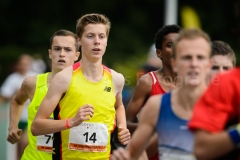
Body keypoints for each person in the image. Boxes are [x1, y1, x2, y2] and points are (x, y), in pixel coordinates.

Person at [31, 13, 131, 160]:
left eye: (101, 36)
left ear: (106, 41)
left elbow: (119, 106)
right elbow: (36, 126)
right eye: (90, 36)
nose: (97, 42)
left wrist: (122, 127)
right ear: (79, 40)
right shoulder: (64, 78)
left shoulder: (116, 79)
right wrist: (71, 122)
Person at [111, 28, 212, 160]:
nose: (193, 63)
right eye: (170, 45)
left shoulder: (208, 94)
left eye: (200, 58)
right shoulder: (149, 84)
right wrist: (156, 127)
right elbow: (127, 123)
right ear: (159, 53)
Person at [7, 30, 80, 160]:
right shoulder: (32, 83)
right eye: (57, 49)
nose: (62, 54)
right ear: (50, 53)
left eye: (68, 50)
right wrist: (13, 126)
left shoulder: (86, 87)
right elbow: (17, 101)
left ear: (76, 55)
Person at [126, 24, 181, 159]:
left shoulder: (194, 84)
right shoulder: (147, 82)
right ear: (159, 53)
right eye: (170, 45)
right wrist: (152, 128)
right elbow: (124, 123)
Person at [0, 54, 35, 160]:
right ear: (18, 65)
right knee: (15, 147)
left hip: (29, 118)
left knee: (24, 144)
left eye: (26, 63)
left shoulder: (35, 77)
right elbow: (3, 96)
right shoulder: (12, 78)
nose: (24, 66)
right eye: (22, 63)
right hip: (16, 118)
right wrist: (16, 95)